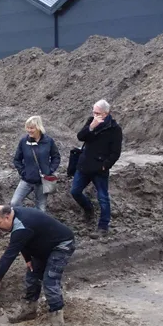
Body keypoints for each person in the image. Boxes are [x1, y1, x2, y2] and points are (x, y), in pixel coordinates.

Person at [0, 205, 75, 326]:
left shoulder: (22, 225)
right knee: (32, 274)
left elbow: (9, 255)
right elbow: (24, 241)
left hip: (62, 244)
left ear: (7, 217)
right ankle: (29, 310)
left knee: (50, 280)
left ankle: (57, 325)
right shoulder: (16, 216)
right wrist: (28, 259)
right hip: (44, 245)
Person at [70, 99, 123, 237]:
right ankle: (89, 210)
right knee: (75, 191)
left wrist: (105, 165)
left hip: (100, 169)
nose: (95, 115)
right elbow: (80, 136)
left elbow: (116, 152)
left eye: (98, 113)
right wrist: (91, 127)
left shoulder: (114, 129)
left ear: (106, 113)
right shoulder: (91, 121)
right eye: (93, 112)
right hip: (84, 165)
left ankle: (103, 227)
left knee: (103, 197)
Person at [11, 116, 60, 212]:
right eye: (27, 127)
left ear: (38, 127)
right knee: (14, 203)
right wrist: (23, 172)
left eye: (31, 128)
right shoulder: (23, 141)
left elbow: (56, 157)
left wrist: (49, 170)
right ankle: (25, 219)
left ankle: (37, 225)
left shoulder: (48, 141)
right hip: (27, 180)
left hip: (42, 181)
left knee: (41, 209)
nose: (29, 130)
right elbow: (17, 160)